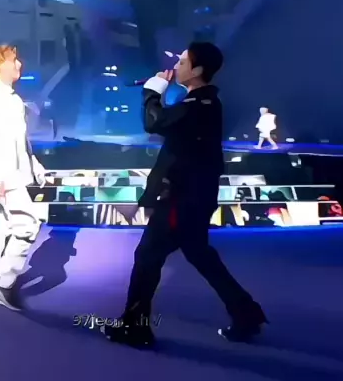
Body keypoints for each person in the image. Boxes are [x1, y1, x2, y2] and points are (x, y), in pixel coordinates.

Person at [102, 42, 267, 347]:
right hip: (194, 197)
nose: (176, 66)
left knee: (148, 256)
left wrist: (152, 92)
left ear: (198, 70)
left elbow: (154, 122)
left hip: (182, 199)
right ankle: (246, 312)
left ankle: (135, 327)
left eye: (182, 62)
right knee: (199, 253)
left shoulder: (198, 105)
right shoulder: (202, 103)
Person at [0, 44, 46, 310]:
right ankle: (2, 279)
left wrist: (35, 167)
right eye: (13, 60)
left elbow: (21, 142)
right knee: (28, 225)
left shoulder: (13, 100)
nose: (19, 64)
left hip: (16, 174)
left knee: (6, 227)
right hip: (3, 176)